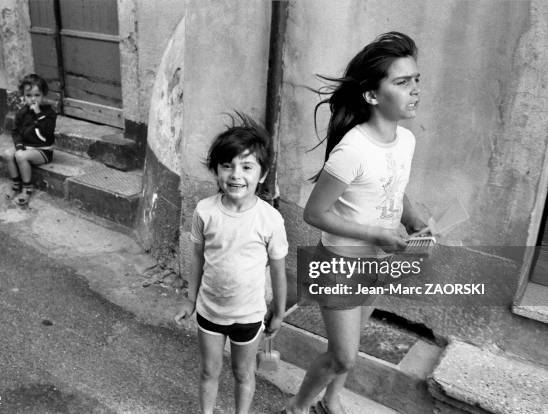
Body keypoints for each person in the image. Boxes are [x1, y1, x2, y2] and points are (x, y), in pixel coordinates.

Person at [284, 32, 427, 414]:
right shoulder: (352, 149)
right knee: (343, 357)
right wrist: (377, 233)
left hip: (374, 263)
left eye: (416, 80)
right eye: (402, 82)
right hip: (340, 264)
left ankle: (330, 402)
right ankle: (297, 408)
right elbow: (314, 214)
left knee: (353, 342)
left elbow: (393, 185)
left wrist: (411, 217)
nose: (414, 90)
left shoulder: (406, 141)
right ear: (372, 95)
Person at [175, 114, 288, 414]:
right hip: (210, 311)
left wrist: (278, 310)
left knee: (243, 374)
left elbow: (278, 268)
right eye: (227, 165)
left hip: (249, 316)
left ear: (262, 175)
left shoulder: (270, 219)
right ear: (216, 171)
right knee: (209, 371)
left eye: (247, 167)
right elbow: (198, 257)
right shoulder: (205, 211)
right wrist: (190, 299)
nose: (236, 174)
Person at [4, 73, 57, 205]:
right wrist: (20, 147)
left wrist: (39, 114)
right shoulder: (22, 113)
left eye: (37, 95)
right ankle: (16, 183)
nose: (33, 99)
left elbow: (47, 132)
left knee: (21, 156)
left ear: (43, 95)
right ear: (23, 96)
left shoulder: (49, 113)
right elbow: (16, 132)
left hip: (42, 151)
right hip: (26, 147)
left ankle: (27, 188)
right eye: (28, 95)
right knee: (9, 154)